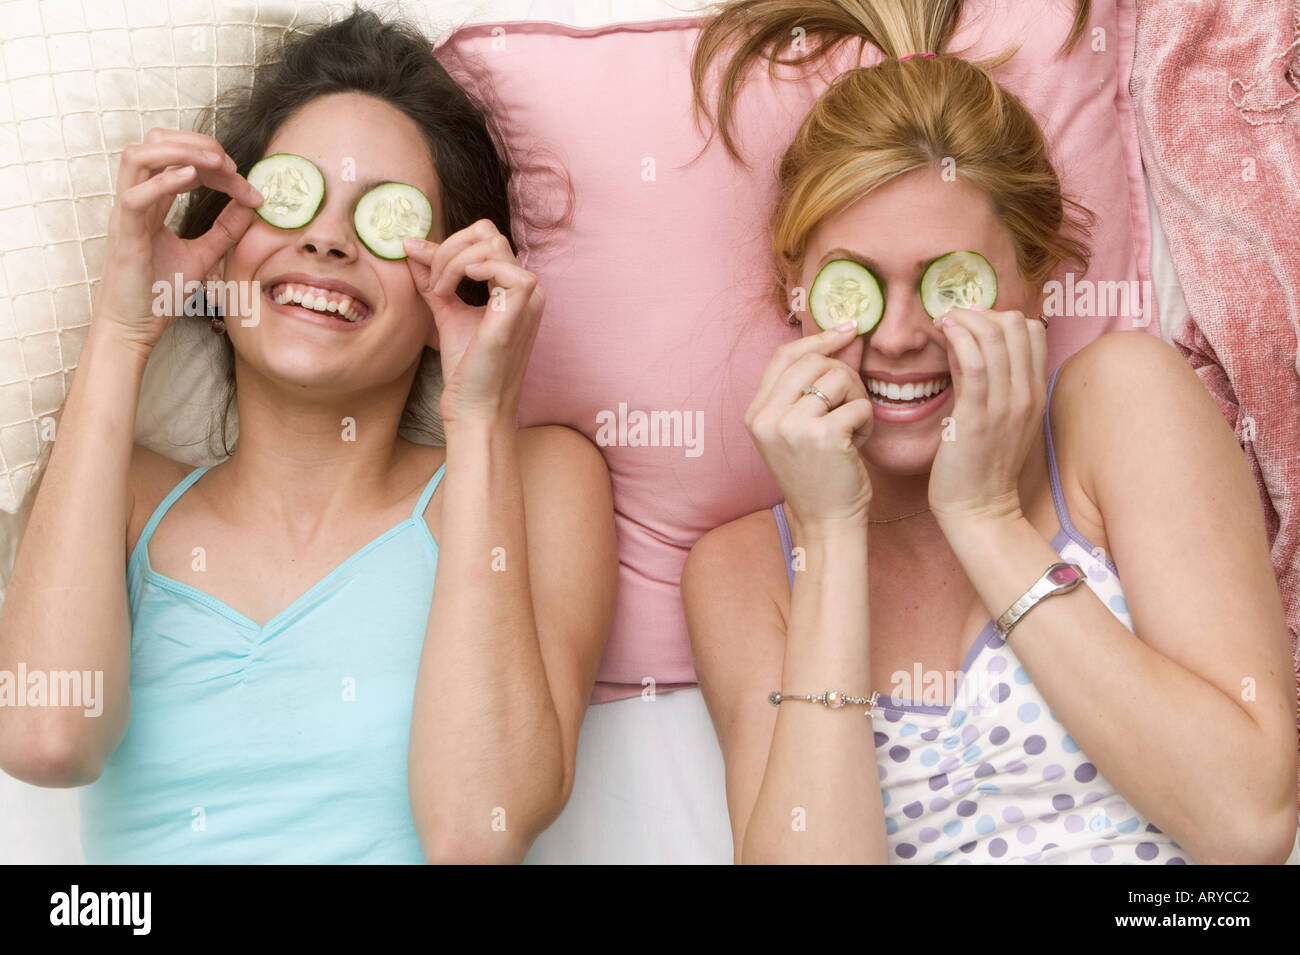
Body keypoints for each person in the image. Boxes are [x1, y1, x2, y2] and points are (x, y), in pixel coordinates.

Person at [682, 0, 1298, 864]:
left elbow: (1249, 826)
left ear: (1036, 281)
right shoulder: (746, 572)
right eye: (855, 285)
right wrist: (827, 535)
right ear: (798, 291)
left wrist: (985, 520)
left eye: (950, 285)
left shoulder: (1122, 404)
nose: (897, 335)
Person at [0, 8, 617, 864]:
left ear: (454, 281)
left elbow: (478, 829)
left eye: (380, 217)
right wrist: (123, 328)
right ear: (219, 253)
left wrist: (477, 418)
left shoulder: (537, 477)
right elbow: (45, 738)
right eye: (293, 197)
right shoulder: (126, 494)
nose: (326, 238)